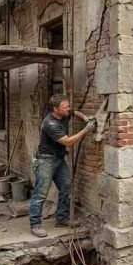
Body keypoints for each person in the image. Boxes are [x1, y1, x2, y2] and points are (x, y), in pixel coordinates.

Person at [30, 94, 95, 238]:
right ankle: (35, 224)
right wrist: (86, 129)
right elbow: (68, 142)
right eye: (65, 107)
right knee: (40, 193)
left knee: (65, 186)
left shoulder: (64, 113)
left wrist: (85, 118)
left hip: (59, 159)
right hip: (45, 161)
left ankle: (62, 218)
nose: (68, 109)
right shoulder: (50, 124)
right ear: (56, 109)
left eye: (68, 106)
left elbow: (75, 112)